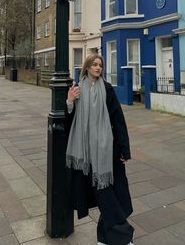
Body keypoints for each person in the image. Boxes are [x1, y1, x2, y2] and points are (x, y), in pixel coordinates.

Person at [66, 53, 134, 245]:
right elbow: (71, 122)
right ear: (87, 67)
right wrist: (70, 102)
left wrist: (124, 149)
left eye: (100, 65)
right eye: (94, 65)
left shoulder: (107, 89)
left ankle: (112, 237)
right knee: (104, 196)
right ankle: (112, 237)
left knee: (112, 195)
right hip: (86, 154)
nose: (98, 68)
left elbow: (118, 120)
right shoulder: (77, 90)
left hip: (107, 150)